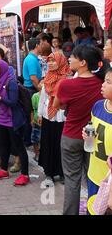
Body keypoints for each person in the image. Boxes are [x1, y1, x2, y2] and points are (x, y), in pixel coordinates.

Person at [54, 45, 106, 215]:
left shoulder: (66, 85)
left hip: (71, 136)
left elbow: (58, 106)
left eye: (73, 56)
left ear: (82, 62)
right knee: (94, 179)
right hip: (94, 137)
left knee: (72, 181)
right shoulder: (101, 84)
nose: (69, 58)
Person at [0, 59, 30, 186]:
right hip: (1, 120)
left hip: (13, 120)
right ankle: (4, 170)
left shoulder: (11, 82)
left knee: (19, 147)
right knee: (3, 146)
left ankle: (25, 175)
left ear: (3, 68)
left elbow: (13, 102)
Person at [37, 52, 71, 186]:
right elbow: (43, 98)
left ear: (61, 62)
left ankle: (63, 173)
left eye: (53, 61)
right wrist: (39, 114)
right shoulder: (47, 78)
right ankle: (49, 173)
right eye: (49, 61)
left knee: (62, 145)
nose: (50, 63)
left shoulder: (68, 79)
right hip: (48, 116)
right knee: (48, 144)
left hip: (63, 117)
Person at [85, 68, 112, 215]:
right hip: (94, 173)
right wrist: (87, 135)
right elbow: (92, 129)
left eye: (108, 82)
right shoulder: (98, 106)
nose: (103, 85)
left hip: (109, 181)